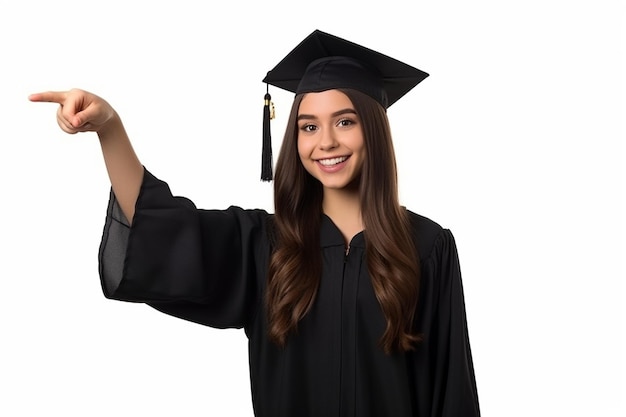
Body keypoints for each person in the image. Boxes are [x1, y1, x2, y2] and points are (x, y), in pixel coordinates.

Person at [30, 29, 480, 417]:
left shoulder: (426, 247)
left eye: (344, 122)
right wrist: (110, 127)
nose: (325, 142)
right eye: (307, 127)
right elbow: (165, 232)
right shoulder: (266, 246)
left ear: (375, 130)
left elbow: (452, 390)